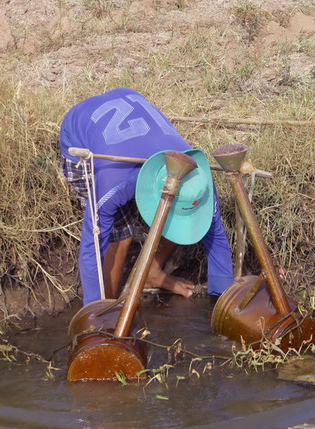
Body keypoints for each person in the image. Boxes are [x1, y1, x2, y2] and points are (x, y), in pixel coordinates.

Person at [59, 88, 234, 305]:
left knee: (179, 213)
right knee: (120, 237)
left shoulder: (197, 176)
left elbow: (217, 236)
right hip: (79, 137)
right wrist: (95, 316)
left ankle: (153, 271)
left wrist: (224, 300)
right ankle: (109, 309)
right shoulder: (114, 184)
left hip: (130, 101)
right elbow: (91, 246)